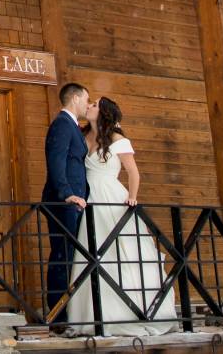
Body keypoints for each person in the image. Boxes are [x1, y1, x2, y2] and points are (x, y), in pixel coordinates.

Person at [67, 96, 177, 336]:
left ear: (104, 112)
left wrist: (133, 198)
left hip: (112, 195)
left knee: (122, 250)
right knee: (93, 251)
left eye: (95, 104)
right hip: (90, 196)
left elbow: (133, 172)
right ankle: (95, 313)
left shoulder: (117, 139)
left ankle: (131, 311)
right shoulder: (83, 137)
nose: (90, 106)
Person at [41, 82, 90, 326]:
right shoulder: (62, 124)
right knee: (63, 253)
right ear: (75, 98)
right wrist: (66, 193)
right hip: (64, 202)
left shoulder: (73, 126)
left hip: (75, 201)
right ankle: (57, 314)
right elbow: (56, 159)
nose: (86, 104)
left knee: (70, 254)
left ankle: (68, 309)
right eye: (85, 100)